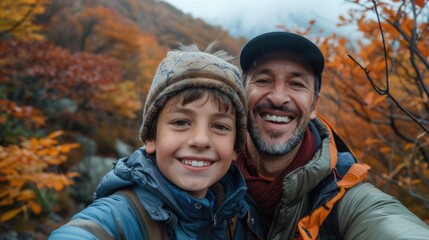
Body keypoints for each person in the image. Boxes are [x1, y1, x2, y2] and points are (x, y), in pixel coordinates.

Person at [49, 43, 263, 239]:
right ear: (151, 138)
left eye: (220, 126)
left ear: (236, 147)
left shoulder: (240, 217)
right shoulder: (123, 215)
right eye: (181, 122)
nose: (200, 140)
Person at [236, 31, 429, 240]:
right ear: (242, 94)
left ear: (314, 105)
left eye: (297, 84)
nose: (278, 98)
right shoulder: (205, 175)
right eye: (263, 80)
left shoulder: (346, 200)